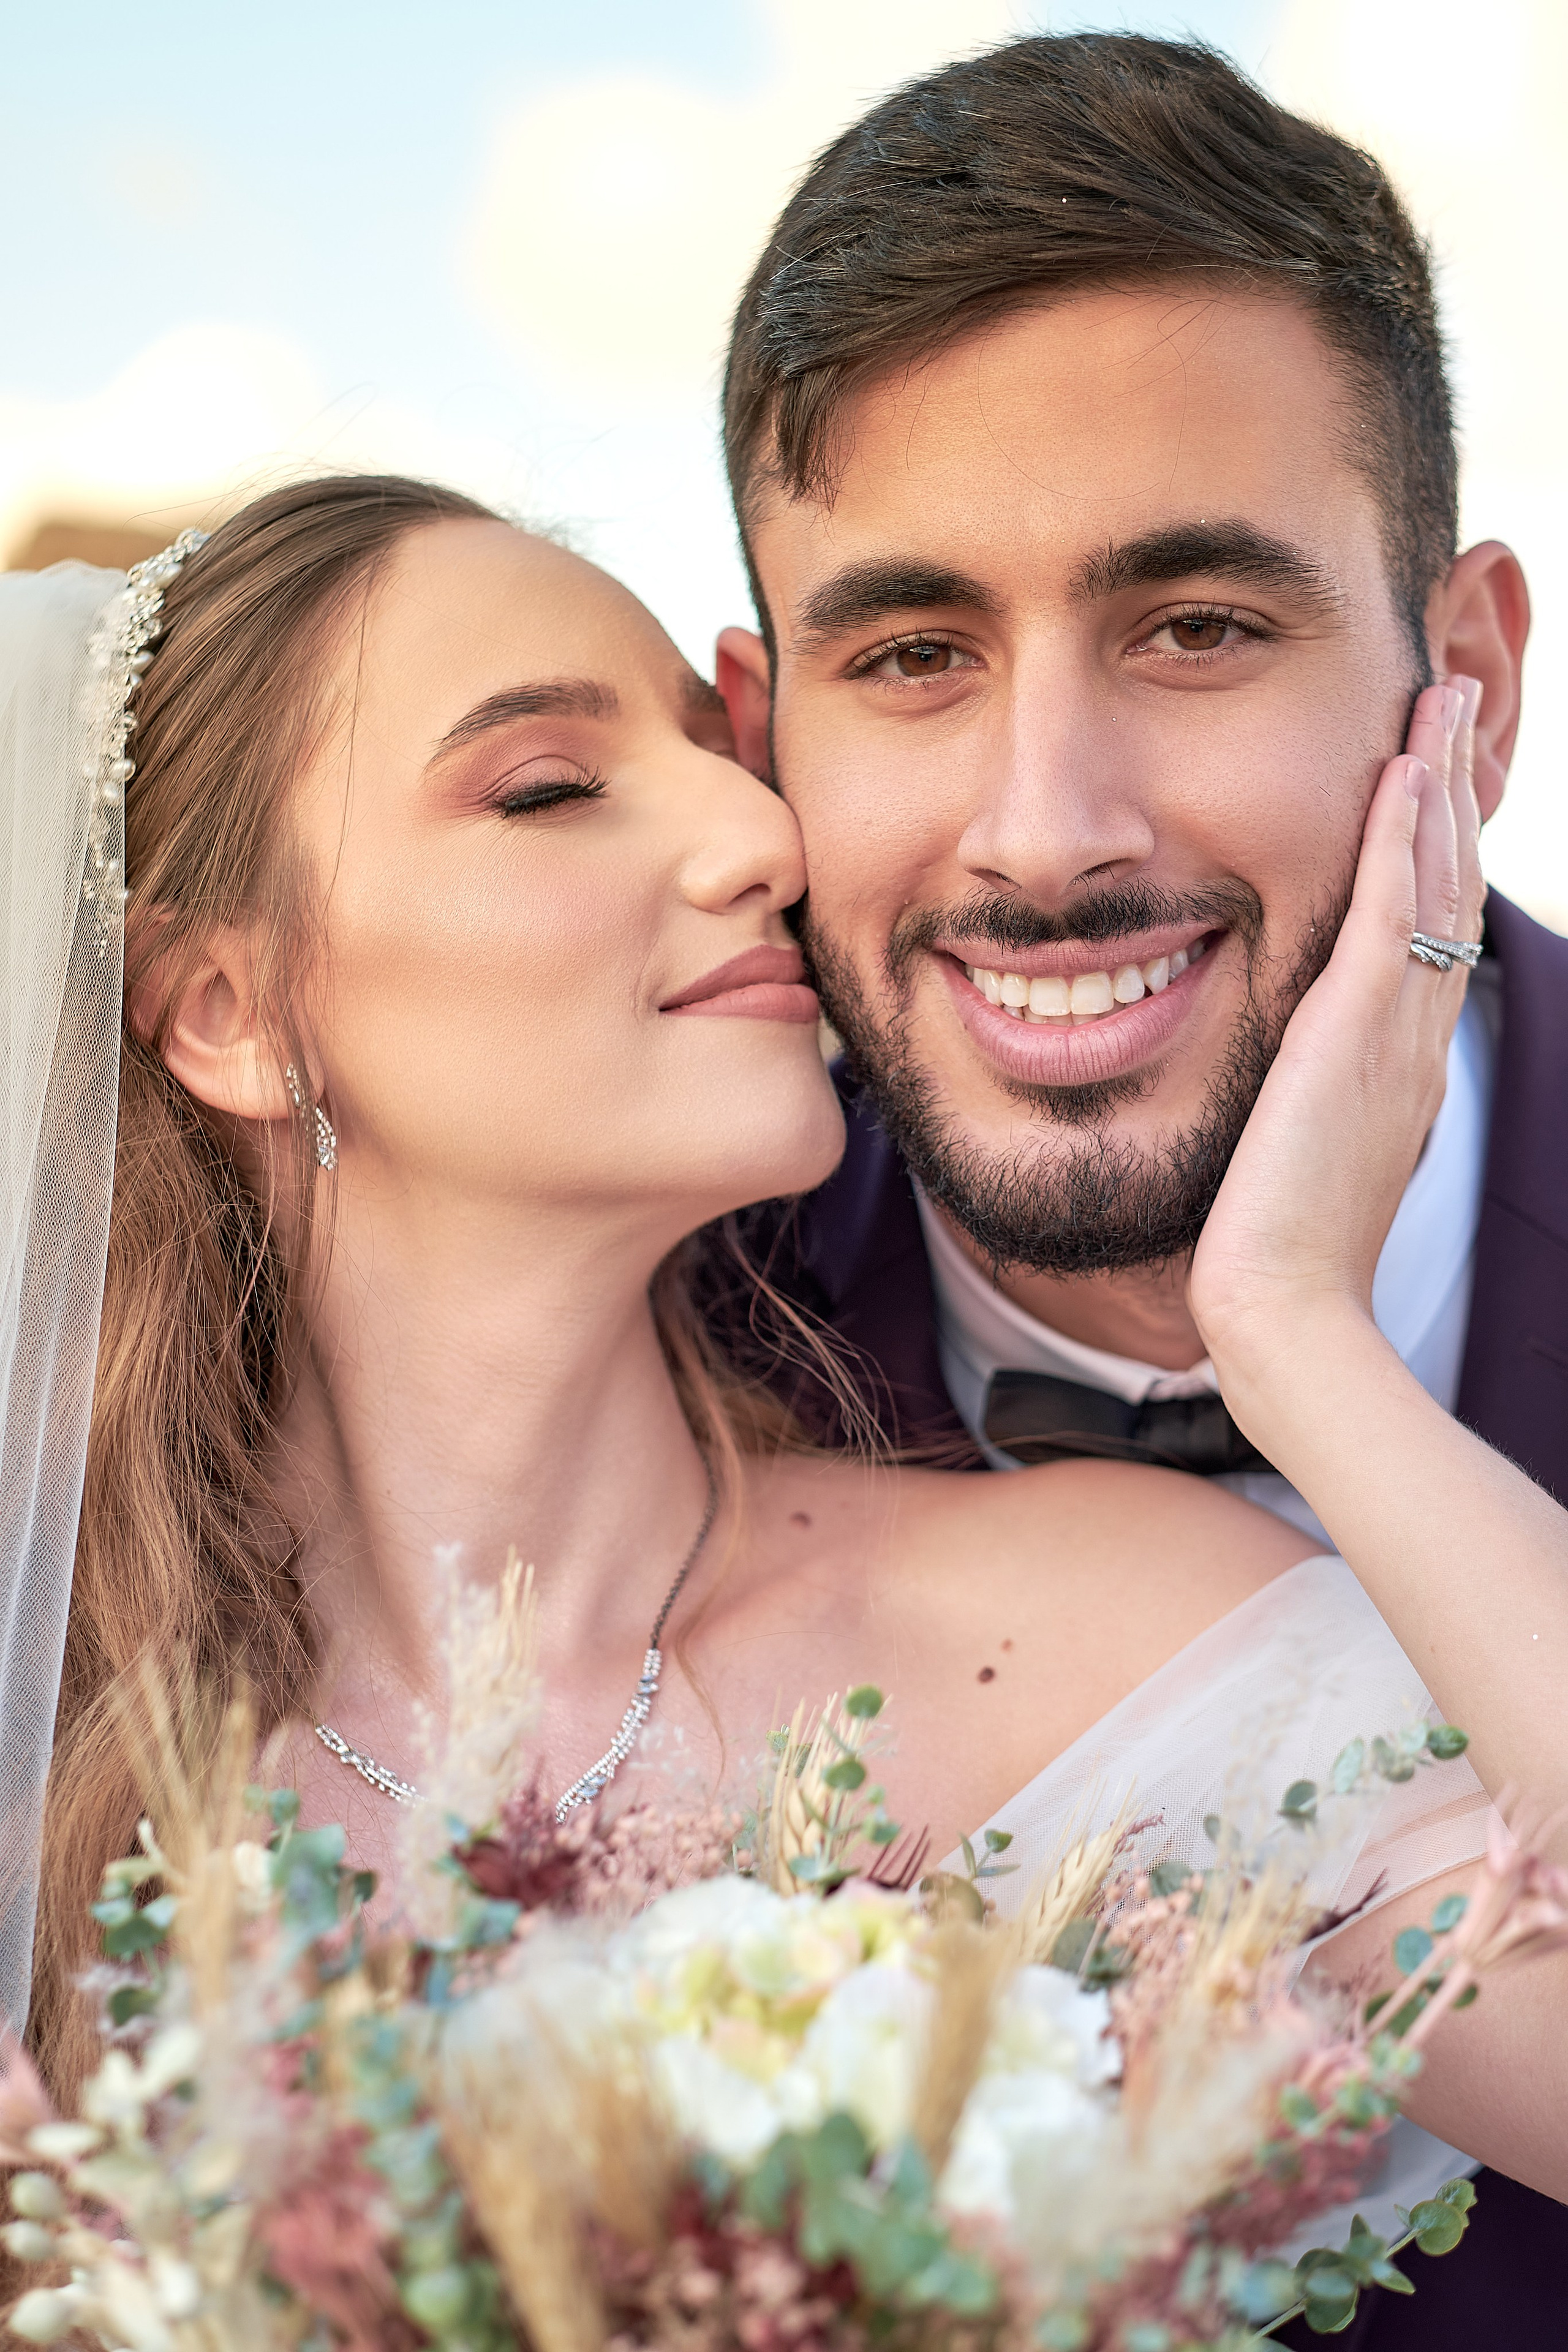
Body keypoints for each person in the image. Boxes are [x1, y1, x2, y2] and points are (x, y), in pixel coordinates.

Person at [0, 477, 1562, 2317]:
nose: (763, 835)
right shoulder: (47, 1785)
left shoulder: (1118, 1635)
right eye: (549, 788)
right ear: (227, 1012)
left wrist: (1296, 1332)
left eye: (718, 754)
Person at [710, 32, 1567, 2339]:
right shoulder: (633, 1347)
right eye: (912, 656)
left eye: (1197, 628)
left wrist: (1289, 1332)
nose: (1046, 831)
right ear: (759, 734)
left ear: (1467, 682)